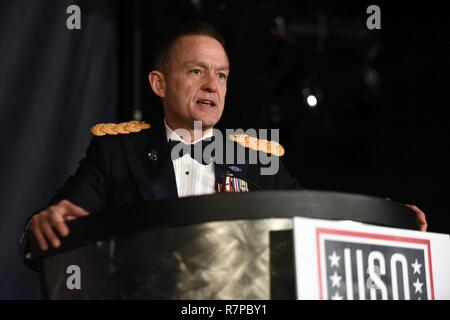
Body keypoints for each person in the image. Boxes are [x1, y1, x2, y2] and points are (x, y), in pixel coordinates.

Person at [21, 22, 427, 261]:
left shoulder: (257, 158)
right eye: (196, 71)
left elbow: (318, 220)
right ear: (159, 83)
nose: (212, 86)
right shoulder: (115, 153)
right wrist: (43, 225)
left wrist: (385, 223)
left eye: (222, 75)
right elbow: (52, 228)